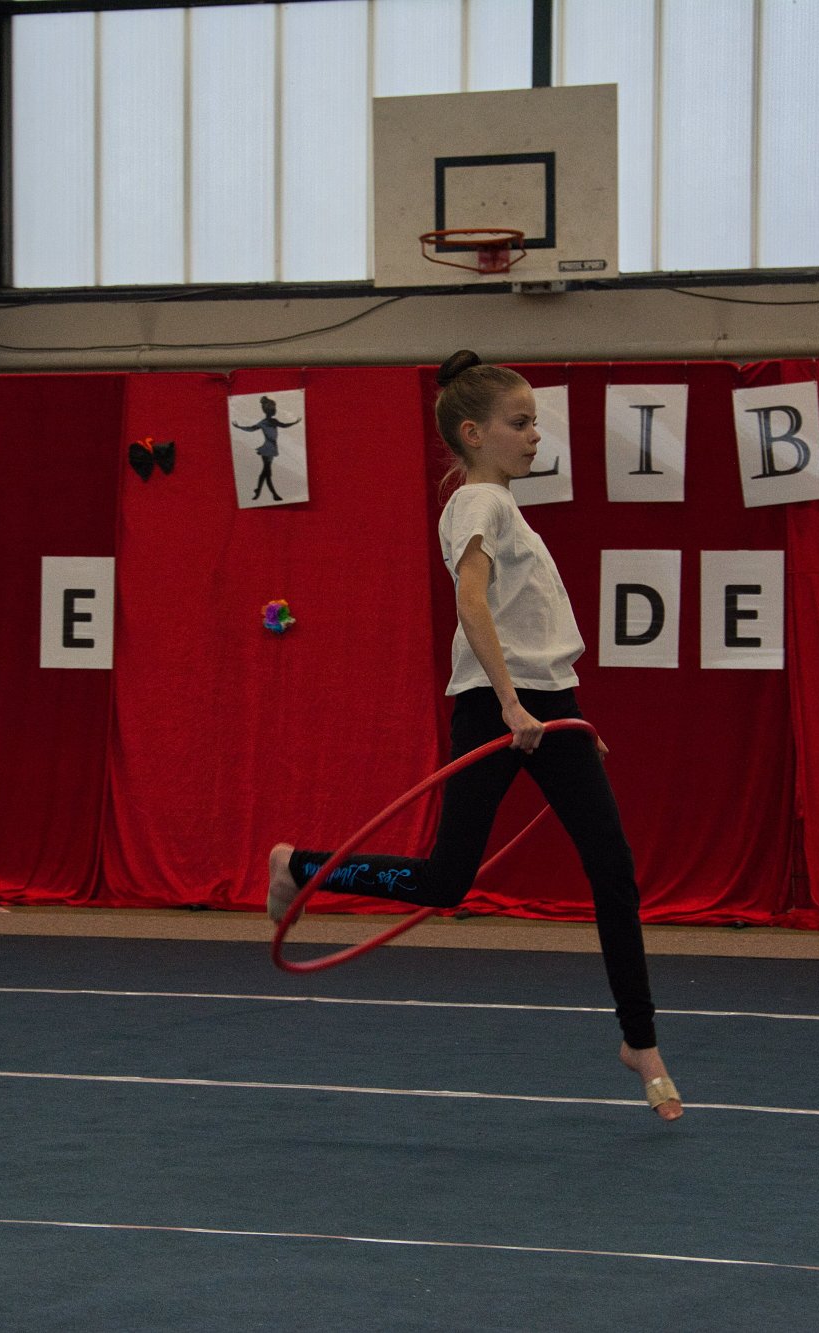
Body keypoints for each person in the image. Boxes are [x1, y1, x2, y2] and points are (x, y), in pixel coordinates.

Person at [267, 350, 683, 1121]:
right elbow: (471, 601)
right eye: (520, 423)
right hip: (500, 707)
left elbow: (529, 620)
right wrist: (513, 703)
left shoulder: (506, 507)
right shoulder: (476, 503)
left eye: (535, 422)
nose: (535, 434)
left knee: (613, 869)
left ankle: (641, 1040)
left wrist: (564, 715)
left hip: (550, 707)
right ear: (474, 433)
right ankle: (300, 866)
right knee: (445, 881)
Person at [234, 395, 298, 502]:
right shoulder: (265, 422)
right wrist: (239, 427)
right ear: (269, 410)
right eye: (273, 408)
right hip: (267, 450)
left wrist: (294, 423)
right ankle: (274, 495)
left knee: (265, 473)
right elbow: (251, 429)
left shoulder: (272, 421)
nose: (274, 410)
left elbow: (283, 425)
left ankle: (258, 491)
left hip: (271, 449)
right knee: (268, 474)